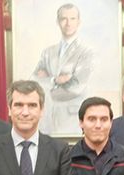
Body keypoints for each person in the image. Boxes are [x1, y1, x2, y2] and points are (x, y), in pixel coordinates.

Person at [33, 3, 93, 134]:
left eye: (72, 19)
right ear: (58, 22)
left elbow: (77, 87)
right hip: (47, 119)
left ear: (79, 22)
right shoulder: (48, 52)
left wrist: (47, 86)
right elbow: (34, 81)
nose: (68, 23)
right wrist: (55, 81)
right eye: (63, 19)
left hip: (72, 119)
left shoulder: (85, 52)